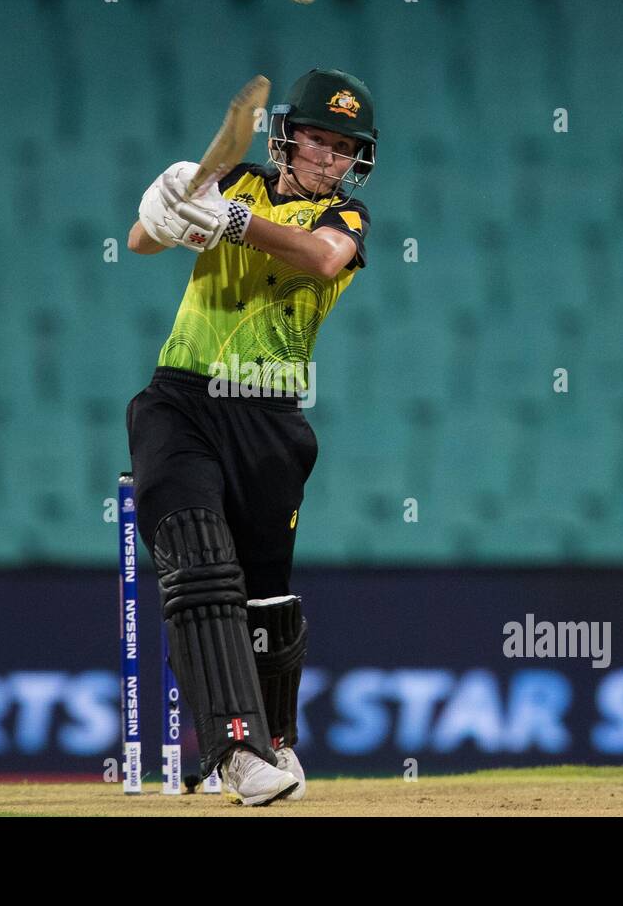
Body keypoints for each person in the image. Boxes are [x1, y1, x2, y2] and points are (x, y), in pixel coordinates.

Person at [125, 68, 376, 805]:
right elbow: (142, 240)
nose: (329, 158)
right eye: (318, 141)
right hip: (182, 403)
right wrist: (172, 207)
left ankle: (278, 743)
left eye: (344, 148)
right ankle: (235, 750)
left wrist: (227, 223)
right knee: (202, 570)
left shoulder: (348, 220)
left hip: (271, 421)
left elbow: (322, 258)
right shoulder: (232, 179)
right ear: (286, 137)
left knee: (266, 598)